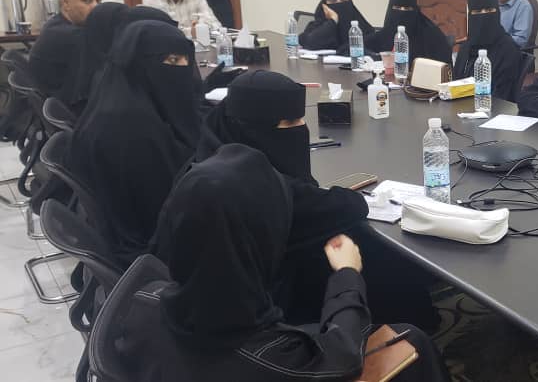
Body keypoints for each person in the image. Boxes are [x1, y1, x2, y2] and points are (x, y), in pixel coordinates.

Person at [108, 143, 448, 381]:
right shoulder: (269, 355)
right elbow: (342, 356)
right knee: (412, 340)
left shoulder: (143, 302)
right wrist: (347, 274)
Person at [199, 70, 440, 330]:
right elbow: (337, 206)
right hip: (276, 303)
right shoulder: (248, 187)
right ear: (253, 128)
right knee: (376, 251)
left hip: (238, 292)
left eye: (301, 118)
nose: (300, 128)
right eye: (289, 122)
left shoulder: (215, 145)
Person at [69, 20, 200, 269]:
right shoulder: (133, 131)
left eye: (186, 59)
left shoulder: (117, 99)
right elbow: (167, 210)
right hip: (151, 250)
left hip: (125, 234)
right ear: (140, 63)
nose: (184, 68)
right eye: (173, 60)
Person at [28, 0, 101, 97]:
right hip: (65, 104)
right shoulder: (70, 35)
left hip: (58, 99)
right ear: (65, 3)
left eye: (98, 0)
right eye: (87, 0)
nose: (96, 7)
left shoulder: (56, 24)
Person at [452, 0, 523, 101]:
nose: (483, 16)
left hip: (491, 107)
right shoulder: (466, 46)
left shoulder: (508, 49)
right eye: (477, 12)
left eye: (489, 10)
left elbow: (502, 96)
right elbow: (456, 82)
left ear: (497, 12)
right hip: (459, 105)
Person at [364, 0, 451, 65]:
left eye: (407, 8)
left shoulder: (431, 35)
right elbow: (363, 47)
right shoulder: (386, 32)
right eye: (397, 8)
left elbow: (442, 67)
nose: (402, 13)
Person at [299, 0, 375, 52]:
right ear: (324, 6)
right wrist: (333, 21)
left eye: (343, 0)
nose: (339, 4)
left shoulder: (361, 27)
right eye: (333, 1)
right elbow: (310, 43)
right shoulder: (317, 25)